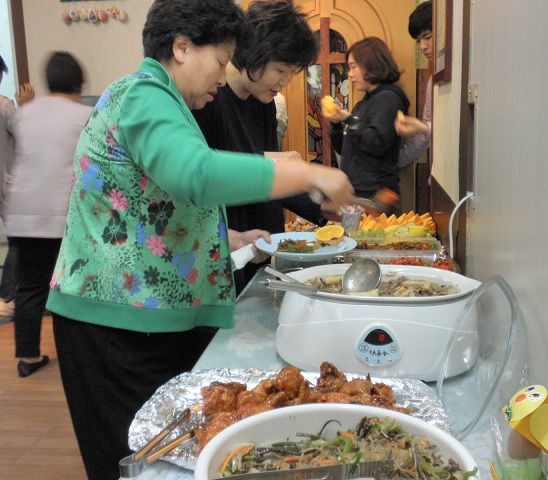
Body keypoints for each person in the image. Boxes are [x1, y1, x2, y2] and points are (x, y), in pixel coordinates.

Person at [45, 1, 353, 478]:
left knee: (168, 457)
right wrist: (306, 172)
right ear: (182, 47)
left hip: (149, 320)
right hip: (114, 325)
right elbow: (196, 175)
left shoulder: (171, 104)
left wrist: (223, 237)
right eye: (222, 60)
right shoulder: (144, 94)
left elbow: (151, 202)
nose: (223, 76)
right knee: (138, 465)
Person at [192, 0, 333, 291]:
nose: (285, 81)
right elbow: (206, 172)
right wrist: (274, 161)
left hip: (257, 249)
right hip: (218, 254)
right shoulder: (208, 99)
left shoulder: (264, 104)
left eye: (292, 72)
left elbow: (270, 183)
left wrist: (322, 209)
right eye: (280, 69)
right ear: (252, 53)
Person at [3, 52, 91, 376]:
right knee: (71, 288)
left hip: (22, 215)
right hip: (62, 216)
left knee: (29, 288)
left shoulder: (25, 113)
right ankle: (76, 358)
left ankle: (28, 358)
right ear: (80, 84)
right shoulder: (86, 115)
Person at [325, 36, 410, 200]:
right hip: (358, 191)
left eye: (353, 67)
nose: (350, 74)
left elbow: (376, 143)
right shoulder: (362, 104)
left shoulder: (388, 98)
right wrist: (336, 124)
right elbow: (344, 149)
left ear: (371, 64)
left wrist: (349, 119)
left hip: (375, 194)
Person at [0, 54, 34, 323]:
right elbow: (29, 134)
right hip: (6, 185)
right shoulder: (5, 107)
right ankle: (6, 298)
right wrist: (27, 106)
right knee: (17, 241)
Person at [395, 1, 433, 169]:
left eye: (428, 37)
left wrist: (422, 127)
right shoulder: (433, 80)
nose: (423, 46)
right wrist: (394, 163)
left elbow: (426, 129)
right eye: (418, 41)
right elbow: (426, 134)